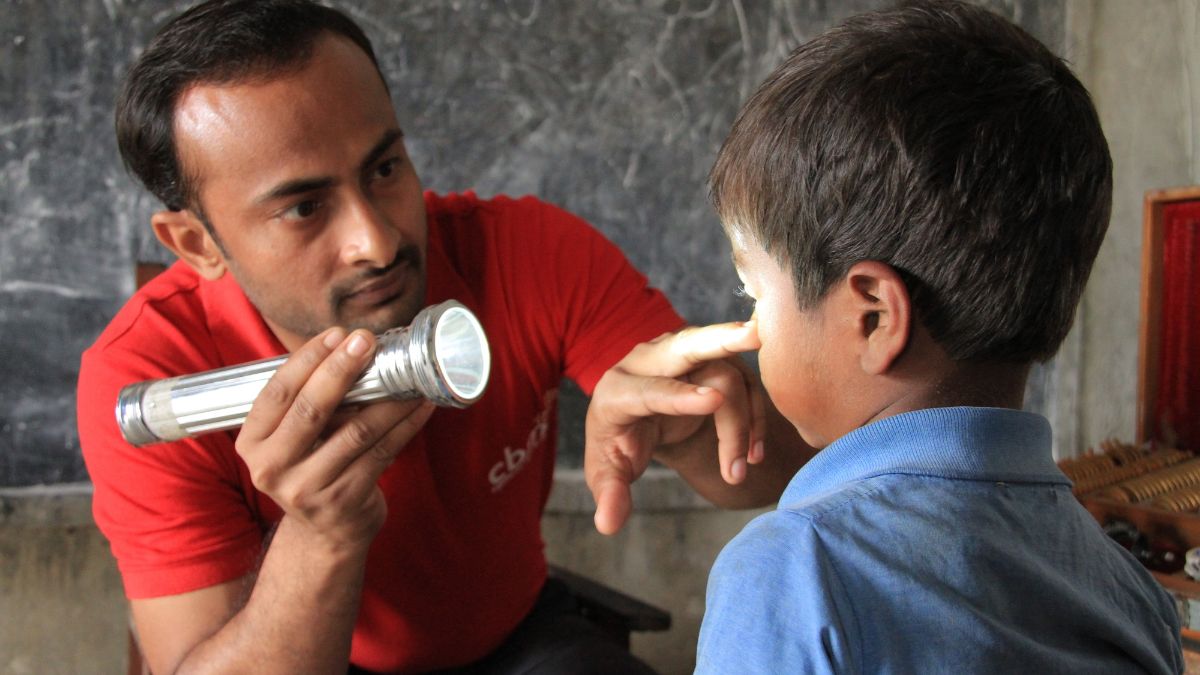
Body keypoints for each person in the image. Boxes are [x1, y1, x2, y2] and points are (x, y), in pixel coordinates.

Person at [75, 1, 807, 673]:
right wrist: (322, 536)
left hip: (518, 639)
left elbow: (775, 475)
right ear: (197, 243)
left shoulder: (528, 250)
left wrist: (687, 428)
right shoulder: (148, 376)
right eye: (304, 208)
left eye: (385, 168)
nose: (376, 239)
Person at [595, 0, 1185, 672]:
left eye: (754, 292)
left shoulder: (794, 573)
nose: (751, 328)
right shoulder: (1131, 592)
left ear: (872, 317)